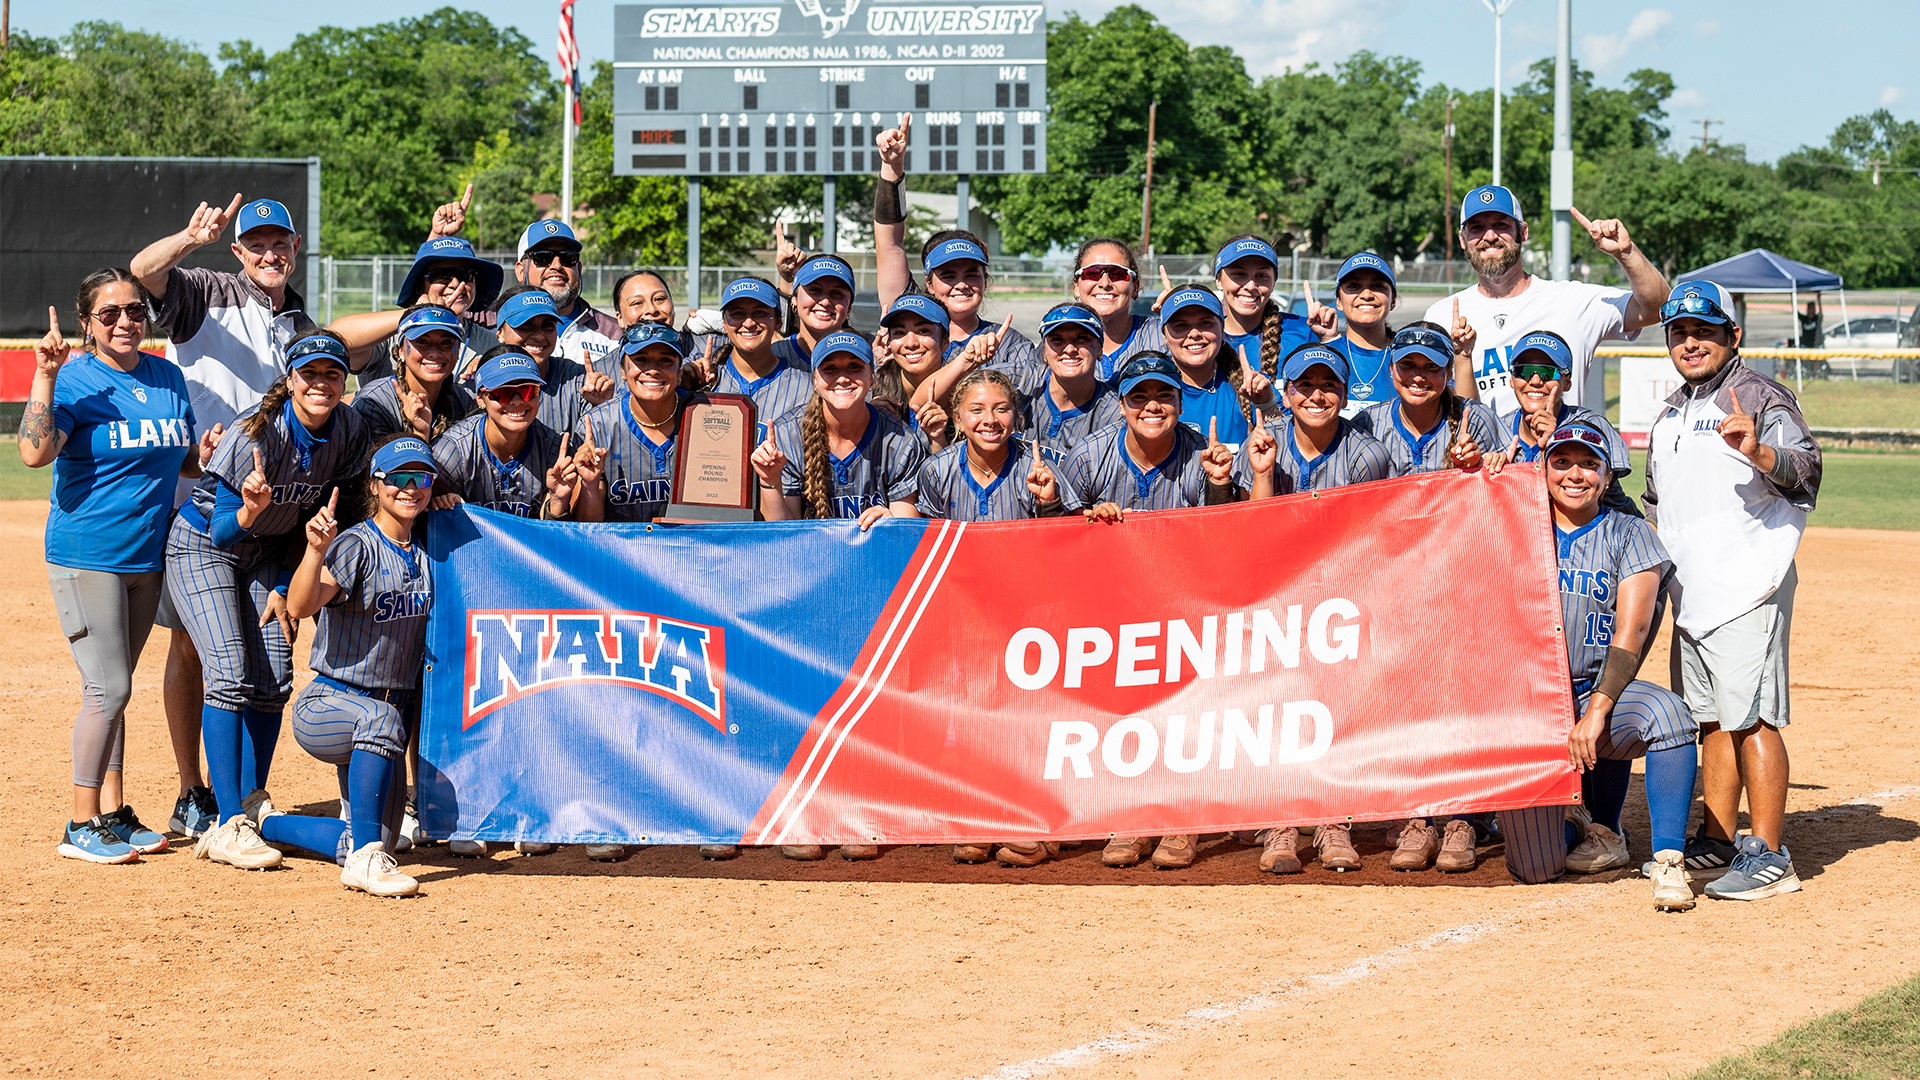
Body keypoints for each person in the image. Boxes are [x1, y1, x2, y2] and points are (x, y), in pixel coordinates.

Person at [132, 193, 318, 839]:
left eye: (280, 242)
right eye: (257, 244)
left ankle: (242, 791)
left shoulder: (299, 321)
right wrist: (189, 238)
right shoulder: (208, 290)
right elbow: (144, 272)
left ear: (295, 248)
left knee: (260, 661)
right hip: (198, 501)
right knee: (193, 645)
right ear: (239, 251)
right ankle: (193, 789)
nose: (270, 253)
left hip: (267, 520)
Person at [1644, 281, 1821, 902]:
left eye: (1705, 331)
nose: (1691, 342)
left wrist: (1762, 452)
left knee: (1754, 720)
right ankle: (1717, 838)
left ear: (1733, 337)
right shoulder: (1671, 412)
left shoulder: (1760, 395)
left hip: (1750, 582)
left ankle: (1771, 855)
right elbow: (1659, 504)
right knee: (1709, 720)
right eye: (1679, 332)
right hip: (1693, 592)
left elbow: (1808, 468)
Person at [169, 331, 370, 871]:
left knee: (276, 672)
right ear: (290, 380)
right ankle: (226, 820)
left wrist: (284, 584)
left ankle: (252, 798)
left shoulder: (348, 429)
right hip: (207, 546)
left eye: (332, 373)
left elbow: (316, 519)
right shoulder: (255, 432)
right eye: (310, 374)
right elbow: (219, 534)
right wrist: (251, 512)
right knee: (230, 670)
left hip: (270, 554)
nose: (322, 383)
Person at [25, 275, 207, 863]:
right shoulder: (76, 378)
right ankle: (79, 824)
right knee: (110, 686)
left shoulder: (166, 376)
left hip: (145, 554)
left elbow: (180, 461)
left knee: (113, 687)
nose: (125, 321)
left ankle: (112, 812)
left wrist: (204, 458)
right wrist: (47, 375)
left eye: (134, 310)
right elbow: (34, 452)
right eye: (108, 314)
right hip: (88, 554)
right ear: (87, 323)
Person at [1487, 421, 1700, 911]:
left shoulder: (1629, 533)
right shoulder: (1514, 522)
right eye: (1561, 461)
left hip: (1595, 691)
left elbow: (1634, 630)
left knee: (1669, 716)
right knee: (1537, 868)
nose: (1574, 474)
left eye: (1588, 463)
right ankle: (1575, 821)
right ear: (1542, 469)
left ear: (1606, 476)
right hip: (1529, 703)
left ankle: (1668, 861)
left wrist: (1598, 709)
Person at [1054, 350, 1236, 871]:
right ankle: (1129, 815)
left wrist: (1221, 483)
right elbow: (1055, 538)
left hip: (1189, 604)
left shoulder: (1207, 451)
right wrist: (1086, 519)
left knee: (1185, 716)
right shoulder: (1089, 457)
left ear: (1181, 402)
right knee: (1124, 716)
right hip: (1110, 608)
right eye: (1140, 397)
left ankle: (1182, 819)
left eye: (1164, 395)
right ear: (1121, 403)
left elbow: (1232, 538)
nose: (1152, 406)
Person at [750, 330, 925, 862]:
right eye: (832, 369)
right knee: (809, 701)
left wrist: (891, 519)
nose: (844, 377)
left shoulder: (897, 437)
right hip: (815, 589)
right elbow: (785, 532)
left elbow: (911, 524)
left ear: (872, 376)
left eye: (854, 368)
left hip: (879, 588)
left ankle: (864, 808)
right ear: (816, 378)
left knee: (873, 704)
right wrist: (771, 483)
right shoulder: (793, 435)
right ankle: (807, 810)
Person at [1229, 344, 1392, 873]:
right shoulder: (1261, 442)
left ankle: (1331, 820)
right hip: (1277, 596)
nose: (1316, 395)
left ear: (1344, 395)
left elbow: (1376, 538)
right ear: (1287, 391)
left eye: (1329, 386)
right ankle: (1281, 821)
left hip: (1343, 597)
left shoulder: (1366, 453)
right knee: (1281, 709)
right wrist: (1260, 474)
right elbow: (1251, 535)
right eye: (1304, 385)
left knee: (1333, 709)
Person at [262, 437, 437, 897]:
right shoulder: (356, 544)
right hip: (331, 703)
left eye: (421, 478)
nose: (410, 488)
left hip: (386, 721)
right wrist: (316, 550)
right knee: (382, 720)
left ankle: (269, 824)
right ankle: (364, 863)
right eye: (398, 478)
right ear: (376, 486)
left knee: (376, 836)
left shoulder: (429, 547)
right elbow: (300, 605)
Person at [1422, 185, 1668, 417]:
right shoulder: (1441, 315)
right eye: (1476, 228)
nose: (1489, 235)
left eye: (1501, 224)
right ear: (1463, 240)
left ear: (1524, 232)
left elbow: (1658, 309)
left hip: (1559, 458)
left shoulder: (1571, 301)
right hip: (1479, 459)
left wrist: (1626, 253)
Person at [1488, 330, 1639, 516]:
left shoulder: (1592, 424)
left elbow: (1606, 497)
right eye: (1524, 371)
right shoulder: (1496, 429)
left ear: (1567, 382)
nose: (1535, 381)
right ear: (1512, 379)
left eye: (1548, 372)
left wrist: (1554, 441)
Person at [328, 232, 502, 382]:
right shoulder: (391, 336)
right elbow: (334, 339)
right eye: (442, 276)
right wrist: (415, 314)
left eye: (466, 275)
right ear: (420, 286)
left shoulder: (491, 343)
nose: (456, 284)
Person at [1352, 323, 1500, 479]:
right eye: (1407, 364)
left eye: (1431, 366)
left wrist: (1485, 464)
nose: (1417, 377)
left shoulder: (1476, 418)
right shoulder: (1368, 425)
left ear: (1449, 373)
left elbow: (1513, 476)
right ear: (1391, 368)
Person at [1159, 284, 1276, 448]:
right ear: (1165, 336)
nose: (1194, 334)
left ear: (1222, 330)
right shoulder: (1151, 388)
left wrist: (1267, 405)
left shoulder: (1248, 386)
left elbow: (1286, 446)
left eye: (1205, 323)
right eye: (1181, 326)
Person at [487, 287, 614, 435]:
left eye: (548, 325)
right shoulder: (483, 378)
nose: (539, 336)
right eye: (526, 325)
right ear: (500, 333)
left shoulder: (579, 381)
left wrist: (603, 407)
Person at [348, 304, 477, 443]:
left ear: (458, 351)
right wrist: (420, 433)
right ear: (400, 351)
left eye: (446, 343)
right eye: (422, 342)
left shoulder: (465, 400)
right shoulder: (375, 403)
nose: (434, 353)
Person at [513, 219, 620, 372]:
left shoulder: (614, 333)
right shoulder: (497, 327)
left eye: (567, 258)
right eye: (543, 258)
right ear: (521, 271)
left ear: (579, 267)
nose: (557, 266)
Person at [1023, 303, 1123, 466]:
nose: (1069, 349)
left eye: (1081, 339)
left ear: (1099, 349)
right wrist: (966, 364)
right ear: (1044, 352)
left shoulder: (1114, 415)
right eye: (1057, 340)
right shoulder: (1019, 383)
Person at [1212, 235, 1319, 383]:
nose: (1250, 286)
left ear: (1274, 282)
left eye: (1261, 276)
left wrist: (1330, 339)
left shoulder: (1303, 332)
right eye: (1239, 274)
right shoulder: (1203, 338)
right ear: (1218, 280)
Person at [871, 293, 956, 448]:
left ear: (945, 342)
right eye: (899, 333)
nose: (910, 343)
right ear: (889, 342)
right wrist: (868, 422)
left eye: (923, 331)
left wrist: (938, 439)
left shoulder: (962, 394)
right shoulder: (873, 389)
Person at [1070, 239, 1162, 381]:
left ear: (1135, 287)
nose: (1105, 283)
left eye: (1117, 273)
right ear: (1076, 286)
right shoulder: (1056, 343)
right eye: (1092, 273)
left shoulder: (1161, 336)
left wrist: (1178, 315)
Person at [1325, 252, 1398, 416]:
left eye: (1378, 286)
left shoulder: (1409, 358)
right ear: (1339, 301)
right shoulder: (1323, 357)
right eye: (1353, 286)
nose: (1366, 295)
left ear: (1392, 300)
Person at [775, 255, 860, 370]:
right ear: (794, 299)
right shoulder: (772, 354)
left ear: (849, 306)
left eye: (837, 293)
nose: (825, 302)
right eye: (815, 290)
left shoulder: (867, 356)